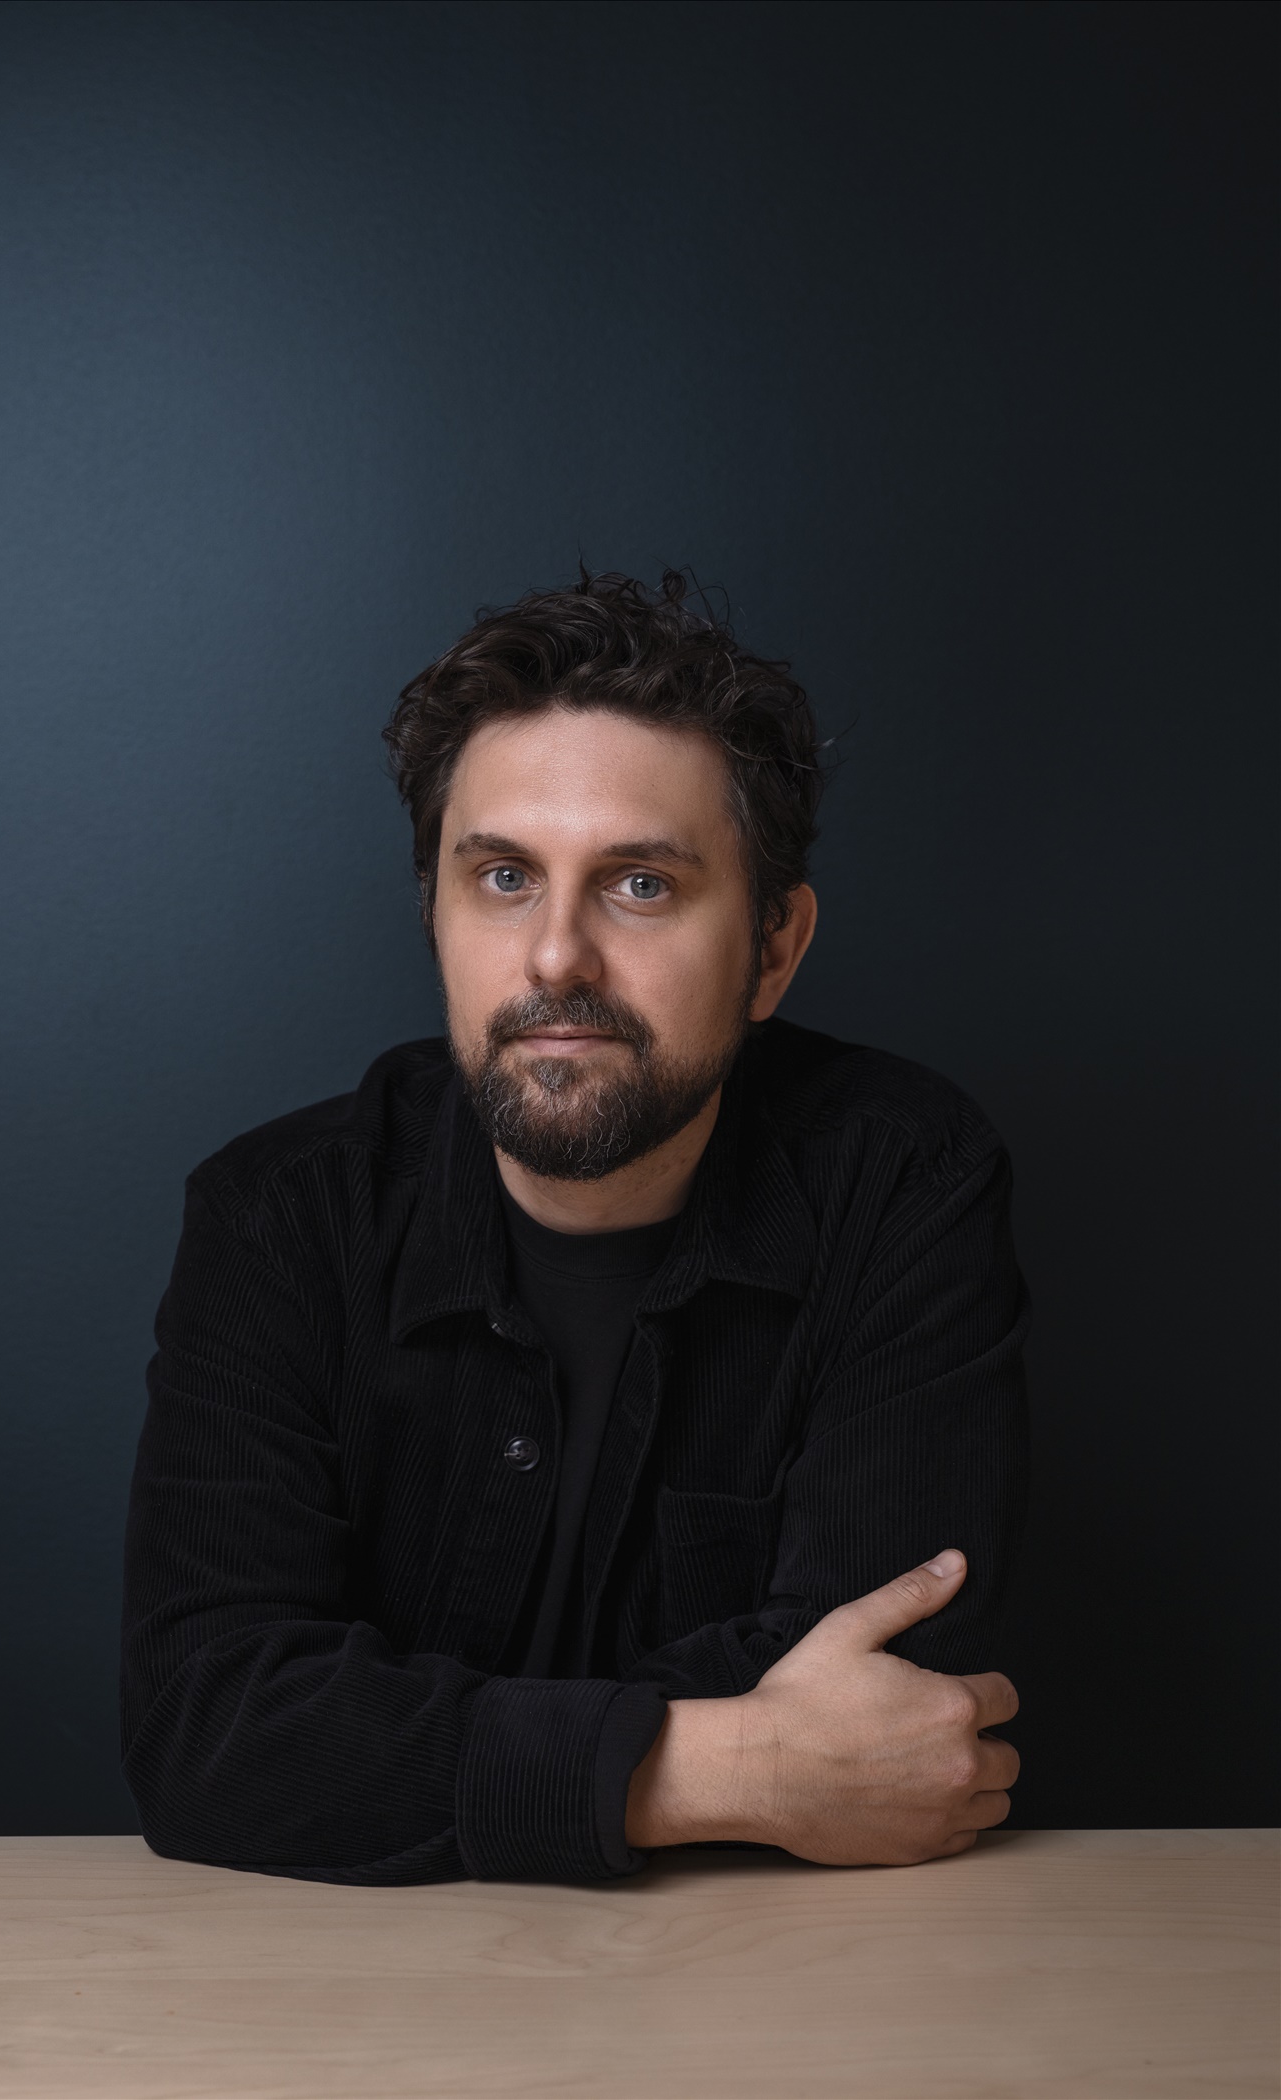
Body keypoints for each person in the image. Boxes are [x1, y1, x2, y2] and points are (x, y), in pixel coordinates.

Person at [120, 569, 1029, 1887]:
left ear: (775, 948)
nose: (555, 957)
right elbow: (208, 1732)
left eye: (640, 884)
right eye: (502, 877)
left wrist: (398, 1753)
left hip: (770, 1973)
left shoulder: (899, 1181)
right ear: (435, 914)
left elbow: (899, 1700)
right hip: (354, 1986)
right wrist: (721, 1767)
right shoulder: (280, 1218)